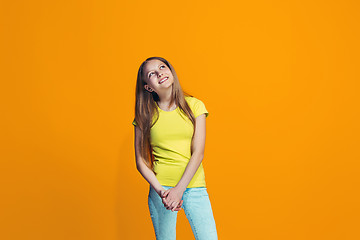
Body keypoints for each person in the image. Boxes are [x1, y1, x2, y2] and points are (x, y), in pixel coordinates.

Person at [132, 56, 218, 240]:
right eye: (152, 74)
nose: (160, 73)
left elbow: (198, 152)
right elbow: (140, 161)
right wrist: (161, 191)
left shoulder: (194, 105)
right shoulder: (144, 115)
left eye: (162, 67)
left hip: (194, 186)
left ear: (170, 71)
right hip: (161, 189)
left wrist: (178, 190)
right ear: (148, 87)